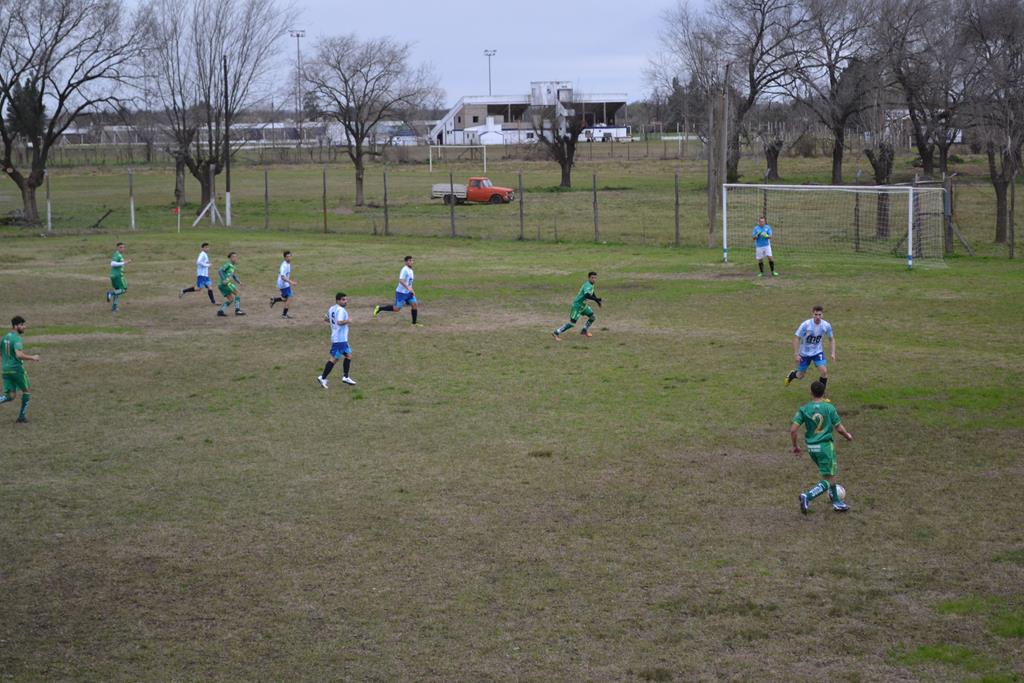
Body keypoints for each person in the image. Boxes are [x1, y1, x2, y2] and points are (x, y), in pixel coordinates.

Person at [791, 381, 853, 513]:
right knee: (828, 479)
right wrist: (847, 436)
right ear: (824, 393)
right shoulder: (829, 408)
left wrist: (795, 446)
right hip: (825, 447)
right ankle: (807, 496)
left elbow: (793, 430)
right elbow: (839, 428)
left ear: (811, 392)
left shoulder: (804, 409)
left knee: (829, 474)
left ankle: (837, 502)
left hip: (812, 448)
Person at [0, 316, 41, 423]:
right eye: (22, 325)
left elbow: (1, 353)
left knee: (11, 396)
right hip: (17, 370)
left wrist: (7, 361)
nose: (24, 327)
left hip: (5, 370)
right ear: (15, 326)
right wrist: (33, 357)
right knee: (27, 391)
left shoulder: (4, 338)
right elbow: (19, 355)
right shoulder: (17, 338)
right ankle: (21, 417)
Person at [786, 305, 835, 388]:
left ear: (822, 315)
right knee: (800, 375)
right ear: (812, 314)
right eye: (816, 314)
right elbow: (796, 338)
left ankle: (821, 393)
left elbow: (831, 339)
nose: (818, 317)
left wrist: (833, 353)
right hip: (804, 353)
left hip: (817, 352)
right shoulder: (805, 325)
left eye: (819, 315)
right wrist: (796, 354)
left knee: (824, 372)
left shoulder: (826, 325)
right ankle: (792, 375)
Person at [318, 292, 357, 387]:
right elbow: (339, 322)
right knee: (335, 358)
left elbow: (326, 319)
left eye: (346, 299)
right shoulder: (341, 310)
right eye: (343, 300)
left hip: (338, 338)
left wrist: (333, 324)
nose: (345, 301)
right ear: (338, 300)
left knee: (347, 356)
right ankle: (324, 377)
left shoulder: (332, 308)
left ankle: (344, 377)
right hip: (340, 339)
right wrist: (348, 320)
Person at [552, 271, 602, 340]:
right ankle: (556, 332)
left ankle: (584, 330)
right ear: (588, 278)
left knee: (592, 317)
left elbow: (592, 292)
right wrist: (597, 299)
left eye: (595, 278)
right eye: (592, 278)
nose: (594, 279)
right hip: (577, 306)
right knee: (572, 323)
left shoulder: (591, 285)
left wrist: (597, 301)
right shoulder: (587, 285)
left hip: (583, 306)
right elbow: (587, 295)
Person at [373, 256, 419, 325]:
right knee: (397, 309)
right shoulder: (404, 270)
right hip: (401, 293)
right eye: (409, 261)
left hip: (408, 293)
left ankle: (414, 323)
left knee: (414, 304)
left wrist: (412, 290)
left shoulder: (411, 270)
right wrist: (408, 288)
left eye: (412, 260)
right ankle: (380, 308)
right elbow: (401, 280)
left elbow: (409, 282)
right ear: (406, 262)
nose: (411, 262)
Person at [216, 252, 245, 317]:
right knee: (237, 293)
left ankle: (221, 311)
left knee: (231, 299)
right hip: (225, 284)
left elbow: (233, 275)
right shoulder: (228, 264)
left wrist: (239, 282)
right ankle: (237, 310)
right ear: (230, 258)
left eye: (236, 257)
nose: (235, 258)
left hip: (221, 285)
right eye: (233, 257)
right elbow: (220, 270)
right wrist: (223, 279)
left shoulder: (232, 266)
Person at [270, 250, 295, 318]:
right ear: (284, 258)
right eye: (287, 257)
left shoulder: (288, 264)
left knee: (285, 299)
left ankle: (274, 299)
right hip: (283, 284)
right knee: (289, 297)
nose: (289, 258)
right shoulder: (283, 266)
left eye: (290, 256)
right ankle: (284, 315)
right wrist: (291, 282)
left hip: (284, 284)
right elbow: (283, 277)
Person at [106, 242, 130, 312]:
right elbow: (112, 264)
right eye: (120, 247)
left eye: (123, 247)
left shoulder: (118, 255)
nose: (122, 249)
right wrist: (124, 263)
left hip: (113, 275)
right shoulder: (117, 255)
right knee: (124, 289)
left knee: (118, 291)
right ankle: (110, 293)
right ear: (117, 248)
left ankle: (114, 308)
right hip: (118, 276)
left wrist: (123, 263)